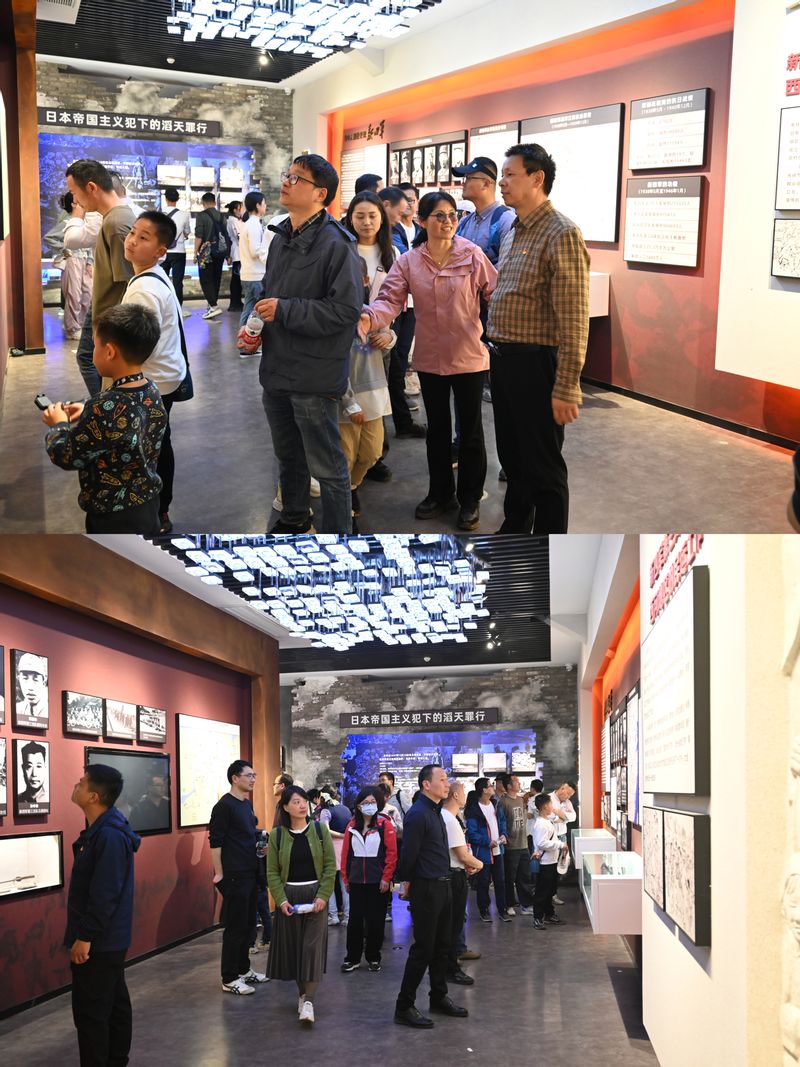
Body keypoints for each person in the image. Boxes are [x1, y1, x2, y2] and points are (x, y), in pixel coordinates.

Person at [361, 191, 497, 530]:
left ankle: (469, 500)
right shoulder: (409, 261)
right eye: (439, 215)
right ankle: (440, 494)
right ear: (422, 220)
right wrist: (368, 318)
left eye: (452, 215)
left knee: (471, 433)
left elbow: (496, 293)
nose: (448, 221)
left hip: (469, 357)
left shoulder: (472, 254)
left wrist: (499, 333)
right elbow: (389, 299)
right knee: (437, 431)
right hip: (430, 359)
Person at [255, 154, 363, 535]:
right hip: (276, 369)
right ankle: (295, 518)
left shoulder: (337, 244)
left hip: (314, 376)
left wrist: (284, 310)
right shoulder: (281, 237)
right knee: (288, 457)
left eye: (297, 178)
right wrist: (254, 325)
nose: (286, 182)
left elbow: (345, 311)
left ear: (320, 194)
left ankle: (337, 538)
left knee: (328, 467)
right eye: (288, 175)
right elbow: (268, 292)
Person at [487, 142, 590, 533]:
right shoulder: (513, 230)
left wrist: (567, 386)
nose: (502, 183)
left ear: (537, 178)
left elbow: (574, 318)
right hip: (504, 362)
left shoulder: (561, 233)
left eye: (510, 175)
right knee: (514, 459)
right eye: (502, 175)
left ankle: (549, 546)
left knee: (544, 466)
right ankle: (515, 528)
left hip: (535, 363)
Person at [42, 303, 168, 534]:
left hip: (113, 517)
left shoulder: (103, 408)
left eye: (95, 345)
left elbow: (68, 455)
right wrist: (87, 408)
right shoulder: (152, 389)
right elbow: (127, 418)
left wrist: (58, 425)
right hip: (148, 504)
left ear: (109, 352)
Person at [121, 209, 192, 535]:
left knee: (152, 449)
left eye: (143, 237)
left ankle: (158, 511)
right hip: (166, 376)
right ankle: (160, 509)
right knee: (160, 442)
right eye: (133, 232)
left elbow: (138, 345)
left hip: (153, 381)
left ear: (161, 250)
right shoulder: (154, 276)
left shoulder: (143, 289)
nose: (132, 241)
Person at [65, 764, 140, 1067]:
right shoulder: (105, 831)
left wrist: (85, 936)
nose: (76, 785)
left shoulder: (108, 836)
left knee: (92, 1014)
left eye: (81, 782)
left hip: (100, 941)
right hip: (108, 938)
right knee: (113, 1003)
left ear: (94, 796)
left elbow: (105, 893)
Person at [394, 764, 468, 1029]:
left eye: (447, 780)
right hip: (426, 889)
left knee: (442, 946)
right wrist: (406, 883)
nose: (447, 784)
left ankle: (438, 997)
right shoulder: (417, 814)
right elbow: (409, 854)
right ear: (426, 784)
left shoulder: (436, 812)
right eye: (443, 779)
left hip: (444, 885)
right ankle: (404, 1006)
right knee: (423, 949)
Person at [266, 785, 337, 1025]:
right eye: (296, 802)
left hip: (316, 895)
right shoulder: (277, 836)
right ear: (285, 807)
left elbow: (330, 866)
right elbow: (272, 872)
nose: (302, 805)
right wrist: (281, 900)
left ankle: (309, 1001)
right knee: (296, 950)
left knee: (311, 948)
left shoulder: (319, 830)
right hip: (289, 897)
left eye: (304, 801)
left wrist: (323, 895)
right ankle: (302, 995)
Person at [65, 158, 136, 395]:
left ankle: (104, 408)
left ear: (91, 187)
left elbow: (128, 286)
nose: (76, 200)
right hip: (105, 314)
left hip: (111, 318)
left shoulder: (115, 224)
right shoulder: (112, 220)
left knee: (92, 362)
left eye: (75, 193)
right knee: (91, 360)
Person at [208, 759, 269, 995]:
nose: (253, 779)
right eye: (249, 775)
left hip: (250, 872)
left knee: (248, 925)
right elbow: (216, 842)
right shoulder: (224, 806)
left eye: (254, 775)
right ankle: (229, 977)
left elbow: (246, 835)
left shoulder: (245, 804)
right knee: (235, 928)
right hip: (234, 875)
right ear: (235, 778)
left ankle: (243, 970)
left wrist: (260, 844)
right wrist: (219, 873)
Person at [340, 785, 397, 972]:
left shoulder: (385, 824)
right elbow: (345, 854)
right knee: (355, 921)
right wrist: (346, 878)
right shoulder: (351, 826)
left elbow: (391, 854)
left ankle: (373, 957)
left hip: (378, 882)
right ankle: (352, 958)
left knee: (376, 921)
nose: (369, 805)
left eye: (373, 802)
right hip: (356, 881)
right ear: (358, 806)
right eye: (365, 802)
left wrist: (386, 878)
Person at [441, 779, 483, 986]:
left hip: (453, 872)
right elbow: (461, 854)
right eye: (463, 792)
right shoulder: (449, 820)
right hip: (454, 875)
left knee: (453, 922)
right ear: (456, 795)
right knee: (453, 923)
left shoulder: (447, 817)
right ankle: (451, 968)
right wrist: (479, 864)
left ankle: (452, 961)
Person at [44, 191, 93, 341]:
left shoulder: (85, 221)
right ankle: (72, 328)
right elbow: (49, 238)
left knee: (88, 294)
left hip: (85, 260)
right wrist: (64, 249)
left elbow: (90, 243)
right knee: (73, 295)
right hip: (73, 260)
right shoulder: (67, 222)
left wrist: (90, 261)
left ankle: (81, 325)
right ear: (74, 204)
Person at [453, 156, 515, 268]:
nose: (463, 184)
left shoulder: (506, 221)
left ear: (486, 184)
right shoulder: (464, 222)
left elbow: (508, 268)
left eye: (468, 178)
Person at [464, 777, 510, 922]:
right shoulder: (474, 810)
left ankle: (502, 910)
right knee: (483, 882)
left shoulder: (495, 805)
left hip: (498, 851)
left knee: (500, 881)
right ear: (484, 790)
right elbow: (472, 834)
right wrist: (487, 842)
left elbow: (502, 821)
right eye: (490, 786)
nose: (492, 787)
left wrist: (504, 834)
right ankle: (484, 910)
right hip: (483, 853)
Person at [237, 191, 272, 355]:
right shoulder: (253, 225)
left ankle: (244, 344)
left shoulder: (249, 224)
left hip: (248, 274)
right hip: (255, 275)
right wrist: (271, 256)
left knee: (249, 310)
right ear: (258, 205)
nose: (265, 206)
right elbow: (255, 250)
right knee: (258, 313)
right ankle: (249, 346)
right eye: (263, 203)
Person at [497, 773, 534, 915]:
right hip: (511, 846)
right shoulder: (503, 802)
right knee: (509, 877)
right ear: (509, 786)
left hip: (523, 844)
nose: (519, 783)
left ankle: (526, 905)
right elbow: (501, 823)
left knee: (525, 877)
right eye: (516, 782)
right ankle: (509, 904)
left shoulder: (520, 800)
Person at [531, 791, 568, 930]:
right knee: (542, 891)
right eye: (550, 803)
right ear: (545, 806)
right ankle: (538, 918)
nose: (552, 806)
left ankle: (549, 914)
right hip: (545, 862)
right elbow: (541, 843)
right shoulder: (541, 824)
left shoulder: (546, 821)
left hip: (551, 861)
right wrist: (560, 844)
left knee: (549, 890)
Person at [318, 787, 352, 926]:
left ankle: (333, 915)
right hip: (346, 848)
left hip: (331, 848)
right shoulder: (346, 809)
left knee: (329, 885)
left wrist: (340, 835)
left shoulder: (326, 811)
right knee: (345, 884)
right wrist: (345, 836)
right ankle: (348, 916)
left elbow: (324, 830)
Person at [194, 192, 230, 320]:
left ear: (203, 203)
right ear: (214, 202)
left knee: (205, 278)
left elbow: (199, 235)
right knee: (216, 278)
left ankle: (214, 306)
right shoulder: (222, 216)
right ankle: (212, 305)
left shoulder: (201, 216)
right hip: (219, 251)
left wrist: (195, 252)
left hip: (206, 252)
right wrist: (228, 254)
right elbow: (226, 235)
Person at [161, 187, 191, 305]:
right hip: (179, 251)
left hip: (162, 252)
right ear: (177, 199)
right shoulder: (184, 214)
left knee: (162, 281)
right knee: (178, 282)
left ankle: (163, 305)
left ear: (166, 198)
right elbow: (187, 232)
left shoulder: (159, 214)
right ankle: (178, 307)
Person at [549, 780, 577, 905]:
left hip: (563, 837)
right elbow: (549, 816)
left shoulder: (567, 802)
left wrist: (561, 815)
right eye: (568, 794)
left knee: (561, 865)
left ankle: (554, 894)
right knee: (549, 867)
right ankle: (547, 894)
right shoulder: (549, 798)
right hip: (551, 837)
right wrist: (563, 817)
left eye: (571, 795)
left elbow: (573, 817)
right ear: (562, 789)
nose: (568, 797)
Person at [15, 652, 48, 721]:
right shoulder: (18, 709)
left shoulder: (49, 709)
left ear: (44, 682)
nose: (30, 687)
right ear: (19, 679)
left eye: (35, 680)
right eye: (25, 678)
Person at [225, 200, 244, 313]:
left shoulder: (237, 220)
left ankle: (237, 301)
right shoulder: (233, 221)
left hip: (239, 252)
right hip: (238, 253)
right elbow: (239, 237)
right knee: (236, 279)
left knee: (237, 279)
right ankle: (234, 303)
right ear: (236, 210)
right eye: (241, 208)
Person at [16, 740, 48, 809]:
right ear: (23, 769)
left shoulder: (49, 799)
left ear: (45, 768)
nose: (34, 774)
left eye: (39, 766)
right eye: (29, 766)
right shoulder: (17, 799)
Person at [526, 778, 544, 852]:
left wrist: (524, 810)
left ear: (532, 788)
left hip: (532, 830)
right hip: (543, 828)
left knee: (533, 851)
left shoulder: (532, 800)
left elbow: (530, 816)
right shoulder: (545, 798)